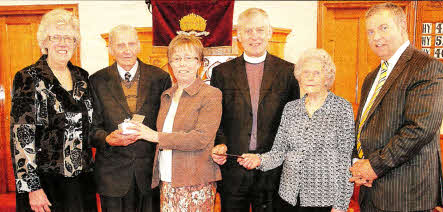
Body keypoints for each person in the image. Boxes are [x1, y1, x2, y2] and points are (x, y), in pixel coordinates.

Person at [349, 3, 443, 211]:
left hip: (405, 195)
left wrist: (373, 166)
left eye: (383, 28)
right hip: (371, 190)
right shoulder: (371, 77)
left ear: (402, 28)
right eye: (370, 31)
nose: (376, 37)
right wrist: (358, 164)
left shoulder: (426, 67)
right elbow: (364, 126)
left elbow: (419, 128)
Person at [238, 48, 354, 212]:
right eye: (306, 73)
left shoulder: (342, 109)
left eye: (316, 73)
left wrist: (341, 205)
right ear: (299, 77)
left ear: (327, 78)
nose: (310, 78)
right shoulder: (291, 109)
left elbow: (345, 161)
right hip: (289, 196)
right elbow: (279, 151)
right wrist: (259, 160)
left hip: (323, 200)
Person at [210, 8, 299, 212]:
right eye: (248, 31)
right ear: (238, 36)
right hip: (233, 169)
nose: (254, 36)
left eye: (260, 30)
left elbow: (292, 123)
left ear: (269, 33)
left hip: (273, 171)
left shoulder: (289, 72)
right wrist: (220, 144)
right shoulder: (221, 72)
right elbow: (216, 117)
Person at [10, 8, 97, 212]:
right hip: (46, 183)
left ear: (75, 44)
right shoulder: (28, 78)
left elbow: (91, 126)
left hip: (81, 180)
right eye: (56, 37)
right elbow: (21, 135)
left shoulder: (82, 77)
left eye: (69, 38)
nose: (63, 43)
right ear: (45, 42)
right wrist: (32, 188)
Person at [129, 34, 222, 211]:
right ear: (170, 64)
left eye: (189, 58)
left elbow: (200, 138)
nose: (182, 64)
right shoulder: (167, 95)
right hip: (167, 178)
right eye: (177, 59)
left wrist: (156, 136)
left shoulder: (210, 94)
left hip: (195, 181)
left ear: (199, 63)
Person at [89, 24, 171, 212]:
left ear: (139, 46)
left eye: (132, 44)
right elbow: (91, 128)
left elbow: (167, 124)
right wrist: (108, 138)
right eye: (120, 45)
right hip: (112, 175)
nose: (127, 50)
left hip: (150, 174)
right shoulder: (96, 81)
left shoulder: (160, 78)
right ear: (110, 49)